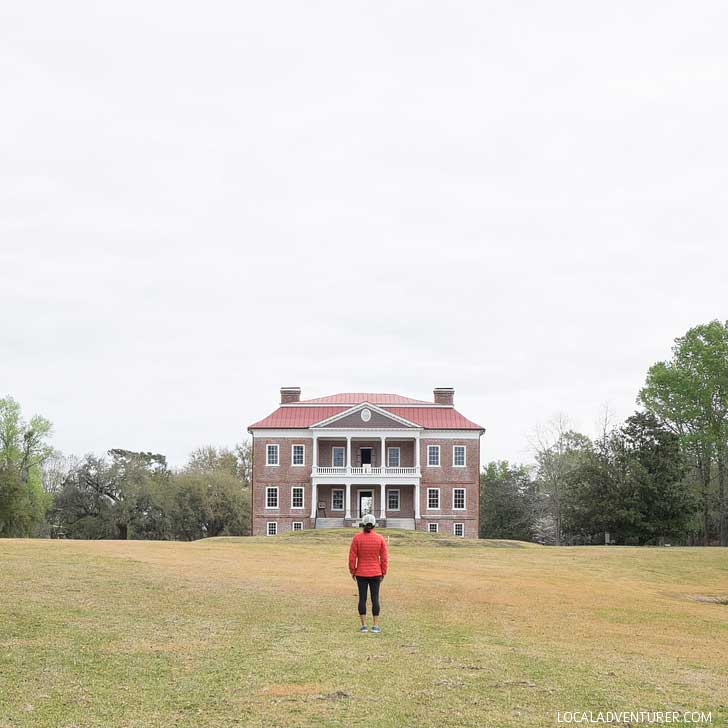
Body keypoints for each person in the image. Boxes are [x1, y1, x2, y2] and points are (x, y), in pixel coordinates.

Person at [348, 513, 388, 633]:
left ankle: (364, 625)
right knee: (375, 598)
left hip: (361, 573)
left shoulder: (357, 538)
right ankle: (375, 626)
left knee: (362, 598)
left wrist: (353, 571)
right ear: (374, 524)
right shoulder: (380, 538)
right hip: (376, 572)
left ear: (363, 524)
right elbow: (384, 558)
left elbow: (352, 557)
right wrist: (383, 572)